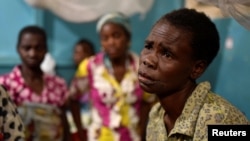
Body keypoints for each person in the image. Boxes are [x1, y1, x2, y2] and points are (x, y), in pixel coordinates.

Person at [137, 8, 249, 141]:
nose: (148, 60)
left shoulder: (222, 121)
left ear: (197, 68)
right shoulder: (156, 114)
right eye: (149, 46)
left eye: (167, 54)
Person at [69, 12, 155, 141]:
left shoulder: (141, 67)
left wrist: (142, 133)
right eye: (105, 38)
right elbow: (72, 99)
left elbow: (147, 102)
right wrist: (81, 135)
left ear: (127, 37)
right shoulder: (90, 67)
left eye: (116, 36)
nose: (111, 42)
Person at [0, 25, 70, 141]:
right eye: (27, 48)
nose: (32, 54)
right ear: (18, 49)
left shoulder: (58, 84)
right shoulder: (6, 84)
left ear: (46, 49)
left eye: (38, 48)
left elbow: (64, 123)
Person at [68, 38, 95, 140]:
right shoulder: (75, 80)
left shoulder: (98, 77)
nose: (76, 56)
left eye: (80, 52)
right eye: (75, 52)